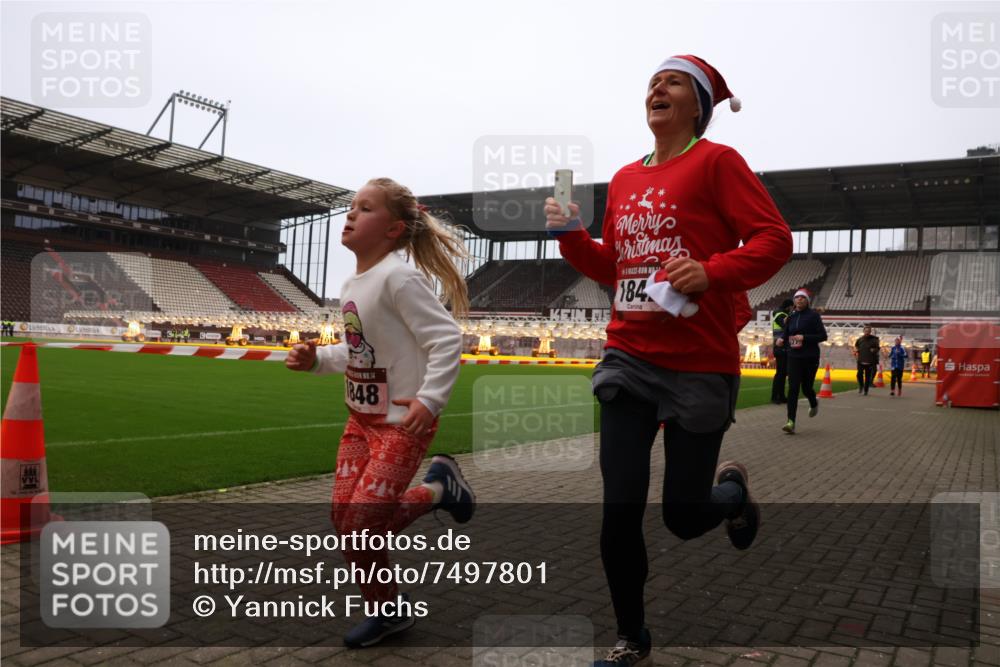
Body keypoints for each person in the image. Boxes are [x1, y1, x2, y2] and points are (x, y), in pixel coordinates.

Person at [544, 54, 792, 666]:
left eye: (673, 81)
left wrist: (711, 271)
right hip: (628, 356)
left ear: (699, 105)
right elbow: (618, 269)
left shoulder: (718, 162)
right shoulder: (625, 178)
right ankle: (632, 638)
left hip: (700, 362)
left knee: (683, 516)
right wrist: (574, 236)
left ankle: (730, 495)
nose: (657, 87)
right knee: (619, 508)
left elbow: (774, 241)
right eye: (653, 80)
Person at [286, 177, 473, 648]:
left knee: (361, 526)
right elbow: (358, 352)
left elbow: (446, 338)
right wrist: (316, 361)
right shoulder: (352, 283)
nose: (351, 214)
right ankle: (390, 611)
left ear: (392, 229)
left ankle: (436, 489)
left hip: (401, 425)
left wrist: (430, 401)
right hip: (359, 422)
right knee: (343, 523)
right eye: (351, 206)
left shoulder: (399, 277)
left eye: (364, 208)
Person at [778, 288, 827, 434]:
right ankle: (790, 421)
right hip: (794, 356)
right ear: (794, 301)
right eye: (797, 297)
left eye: (802, 298)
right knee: (793, 388)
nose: (799, 300)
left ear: (807, 301)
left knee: (806, 388)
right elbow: (786, 332)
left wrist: (804, 337)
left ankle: (813, 401)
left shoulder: (813, 316)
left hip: (810, 356)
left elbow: (823, 336)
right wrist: (781, 338)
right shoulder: (791, 316)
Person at [770, 298, 793, 404]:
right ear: (789, 306)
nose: (792, 309)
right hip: (780, 347)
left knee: (782, 373)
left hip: (782, 347)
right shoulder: (781, 315)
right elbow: (788, 328)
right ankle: (775, 397)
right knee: (780, 373)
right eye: (792, 307)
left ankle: (781, 396)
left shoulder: (781, 314)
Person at [854, 325, 880, 395]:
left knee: (867, 377)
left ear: (870, 332)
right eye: (866, 331)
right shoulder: (859, 339)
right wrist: (856, 350)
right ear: (863, 331)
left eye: (868, 331)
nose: (867, 332)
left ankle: (866, 390)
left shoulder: (874, 339)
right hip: (861, 360)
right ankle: (861, 386)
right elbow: (856, 346)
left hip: (870, 361)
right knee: (859, 375)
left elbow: (878, 348)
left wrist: (874, 350)